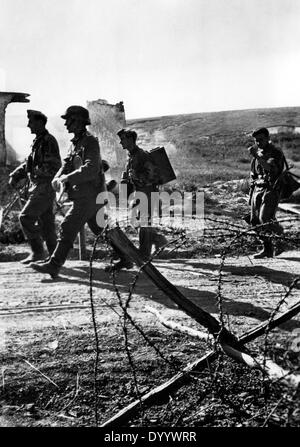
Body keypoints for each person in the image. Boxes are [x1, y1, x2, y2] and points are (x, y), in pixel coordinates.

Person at [30, 105, 131, 278]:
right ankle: (126, 256)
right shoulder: (75, 144)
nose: (66, 124)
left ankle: (54, 265)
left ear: (78, 121)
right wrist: (58, 177)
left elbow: (91, 168)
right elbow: (66, 165)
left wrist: (67, 178)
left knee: (68, 225)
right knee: (101, 228)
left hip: (89, 195)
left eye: (69, 120)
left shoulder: (90, 142)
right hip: (86, 195)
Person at [8, 110, 61, 264]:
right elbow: (29, 163)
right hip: (39, 186)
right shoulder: (38, 141)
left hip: (44, 187)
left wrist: (34, 173)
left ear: (39, 122)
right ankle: (54, 258)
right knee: (47, 224)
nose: (28, 125)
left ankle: (38, 252)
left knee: (26, 217)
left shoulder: (48, 141)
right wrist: (16, 174)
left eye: (31, 122)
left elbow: (55, 166)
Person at [117, 128, 168, 261]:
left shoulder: (141, 155)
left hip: (148, 191)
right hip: (138, 192)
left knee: (144, 222)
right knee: (136, 221)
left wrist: (137, 176)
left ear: (130, 140)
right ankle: (158, 239)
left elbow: (153, 175)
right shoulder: (131, 156)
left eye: (122, 139)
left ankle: (144, 254)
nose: (120, 142)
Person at [248, 127, 285, 258]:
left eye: (261, 140)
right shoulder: (258, 153)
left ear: (268, 139)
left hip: (271, 189)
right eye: (256, 140)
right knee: (254, 221)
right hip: (257, 188)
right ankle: (267, 249)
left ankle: (282, 237)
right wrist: (251, 193)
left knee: (265, 218)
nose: (258, 143)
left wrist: (256, 156)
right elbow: (253, 175)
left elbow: (270, 168)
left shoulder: (275, 152)